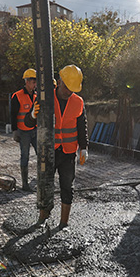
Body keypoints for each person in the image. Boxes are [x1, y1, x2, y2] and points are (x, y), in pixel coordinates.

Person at [25, 65, 88, 228]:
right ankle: (42, 217)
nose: (69, 92)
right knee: (45, 185)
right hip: (48, 151)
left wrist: (84, 147)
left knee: (67, 186)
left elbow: (82, 126)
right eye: (67, 87)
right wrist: (33, 114)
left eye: (73, 89)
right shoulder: (45, 98)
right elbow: (28, 122)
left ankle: (63, 223)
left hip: (68, 153)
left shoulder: (78, 101)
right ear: (59, 82)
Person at [10, 68, 38, 191]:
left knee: (41, 155)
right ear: (27, 81)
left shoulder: (37, 95)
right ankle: (25, 184)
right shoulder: (17, 96)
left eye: (36, 81)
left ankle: (41, 180)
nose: (35, 84)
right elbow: (13, 114)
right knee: (25, 156)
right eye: (33, 81)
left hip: (35, 130)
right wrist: (15, 130)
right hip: (23, 131)